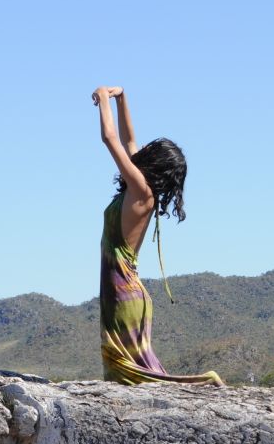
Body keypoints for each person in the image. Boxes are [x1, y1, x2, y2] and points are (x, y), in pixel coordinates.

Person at [91, 85, 223, 386]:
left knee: (125, 371)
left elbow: (111, 139)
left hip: (122, 292)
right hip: (128, 292)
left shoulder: (140, 190)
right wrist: (122, 98)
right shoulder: (141, 189)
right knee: (137, 369)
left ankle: (203, 382)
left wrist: (102, 99)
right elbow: (129, 140)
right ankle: (200, 384)